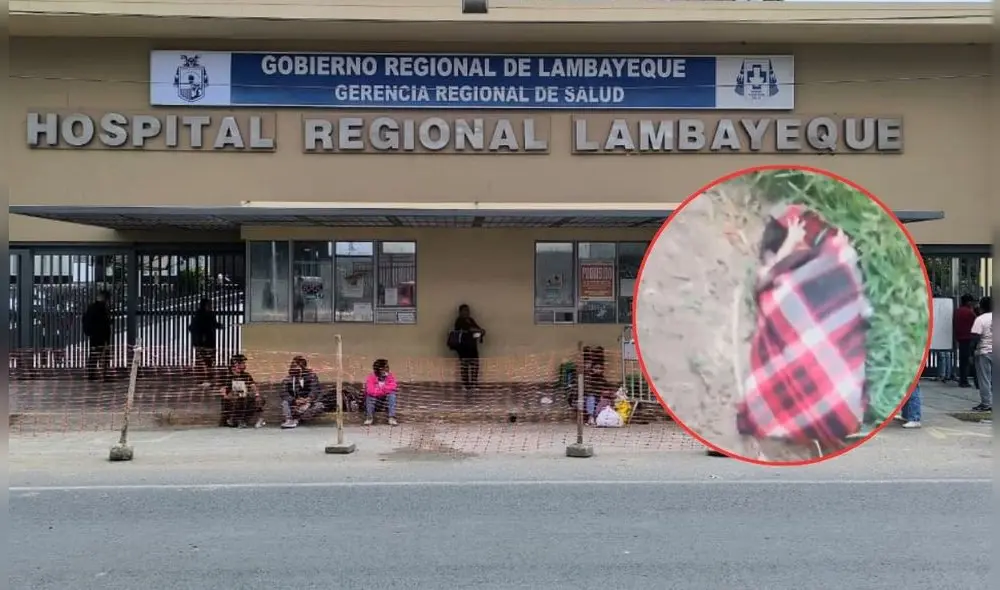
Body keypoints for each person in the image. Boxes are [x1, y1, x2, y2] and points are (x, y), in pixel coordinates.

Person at [219, 353, 266, 429]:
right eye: (242, 363)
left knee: (259, 400)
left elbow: (253, 386)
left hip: (244, 397)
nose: (244, 365)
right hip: (232, 399)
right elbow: (223, 389)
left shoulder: (246, 375)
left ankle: (246, 420)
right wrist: (226, 395)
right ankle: (233, 420)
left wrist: (257, 394)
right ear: (235, 364)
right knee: (241, 400)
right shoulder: (227, 375)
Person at [280, 356, 325, 429]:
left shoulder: (312, 376)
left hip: (308, 405)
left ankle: (298, 419)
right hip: (294, 405)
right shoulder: (288, 379)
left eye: (297, 366)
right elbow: (283, 393)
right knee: (284, 403)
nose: (295, 368)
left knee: (319, 406)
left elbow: (315, 390)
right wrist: (294, 401)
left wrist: (308, 400)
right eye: (293, 366)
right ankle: (289, 420)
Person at [451, 304, 485, 396]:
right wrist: (478, 331)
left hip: (472, 346)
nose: (467, 312)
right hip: (463, 348)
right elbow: (470, 329)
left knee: (475, 365)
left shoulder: (471, 320)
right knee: (465, 366)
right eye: (465, 310)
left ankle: (474, 384)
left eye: (468, 310)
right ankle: (466, 385)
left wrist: (481, 331)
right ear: (460, 312)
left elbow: (477, 329)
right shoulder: (459, 321)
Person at [189, 298, 223, 387]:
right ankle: (201, 380)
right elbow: (194, 327)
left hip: (209, 342)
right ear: (204, 305)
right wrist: (199, 338)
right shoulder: (199, 315)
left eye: (211, 305)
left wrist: (219, 326)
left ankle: (207, 379)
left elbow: (213, 324)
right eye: (209, 305)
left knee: (209, 361)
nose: (211, 306)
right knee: (202, 361)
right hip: (201, 343)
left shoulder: (210, 314)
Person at [82, 290, 113, 381]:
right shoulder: (102, 309)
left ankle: (91, 374)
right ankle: (103, 375)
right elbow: (104, 323)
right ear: (106, 299)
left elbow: (85, 319)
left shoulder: (91, 307)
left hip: (93, 336)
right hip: (101, 336)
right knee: (103, 356)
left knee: (94, 355)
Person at [970, 296, 992, 412]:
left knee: (984, 379)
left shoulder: (980, 319)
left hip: (984, 351)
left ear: (981, 307)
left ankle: (986, 403)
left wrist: (971, 353)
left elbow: (975, 337)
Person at [364, 358, 398, 426]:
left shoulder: (390, 376)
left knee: (392, 395)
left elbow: (393, 387)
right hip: (374, 399)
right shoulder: (371, 377)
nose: (387, 369)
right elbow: (370, 391)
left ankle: (392, 418)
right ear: (378, 369)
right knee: (369, 396)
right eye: (385, 367)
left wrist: (379, 390)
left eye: (387, 367)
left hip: (384, 400)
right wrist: (383, 390)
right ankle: (369, 418)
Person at [954, 294, 978, 388]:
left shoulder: (957, 311)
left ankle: (962, 380)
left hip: (960, 338)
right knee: (969, 360)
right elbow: (976, 323)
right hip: (969, 339)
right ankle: (966, 381)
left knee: (962, 361)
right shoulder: (969, 312)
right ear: (968, 302)